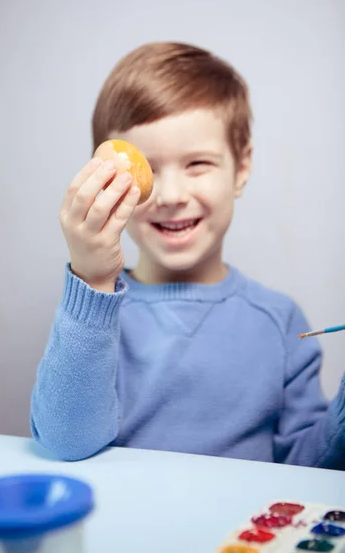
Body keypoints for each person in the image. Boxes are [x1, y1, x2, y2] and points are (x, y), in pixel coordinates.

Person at [30, 42, 345, 469]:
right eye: (148, 170)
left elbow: (311, 470)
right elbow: (66, 442)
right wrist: (92, 280)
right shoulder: (94, 315)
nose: (172, 196)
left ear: (242, 168)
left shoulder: (280, 321)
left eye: (197, 164)